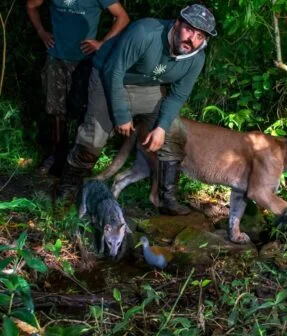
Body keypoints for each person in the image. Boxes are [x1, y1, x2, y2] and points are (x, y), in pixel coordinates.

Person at [57, 4, 217, 216]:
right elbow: (113, 71)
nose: (192, 40)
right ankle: (68, 190)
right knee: (93, 138)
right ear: (177, 23)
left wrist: (160, 128)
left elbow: (178, 95)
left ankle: (165, 198)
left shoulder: (197, 57)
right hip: (108, 76)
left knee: (173, 132)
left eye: (200, 35)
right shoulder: (145, 32)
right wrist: (121, 115)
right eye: (189, 30)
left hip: (147, 87)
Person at [27, 0, 130, 176]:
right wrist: (41, 32)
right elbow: (31, 5)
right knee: (55, 111)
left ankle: (76, 161)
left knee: (83, 111)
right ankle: (55, 156)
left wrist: (102, 43)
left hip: (85, 61)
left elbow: (122, 17)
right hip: (56, 58)